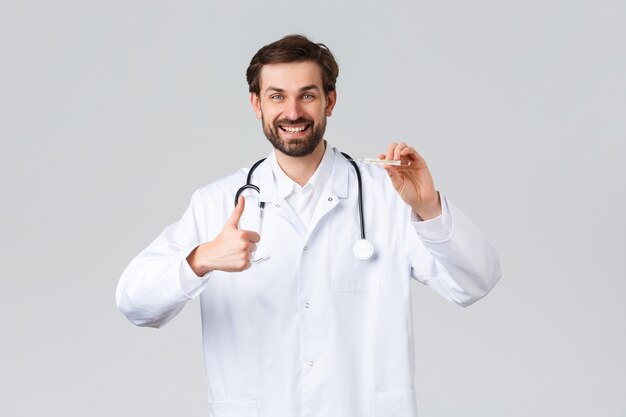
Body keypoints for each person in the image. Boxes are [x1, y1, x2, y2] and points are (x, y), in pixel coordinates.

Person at [116, 34, 501, 417]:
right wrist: (199, 259)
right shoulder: (217, 203)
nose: (293, 112)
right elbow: (135, 304)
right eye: (277, 96)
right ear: (257, 104)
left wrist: (429, 207)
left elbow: (475, 282)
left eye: (307, 95)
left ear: (329, 101)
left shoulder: (388, 195)